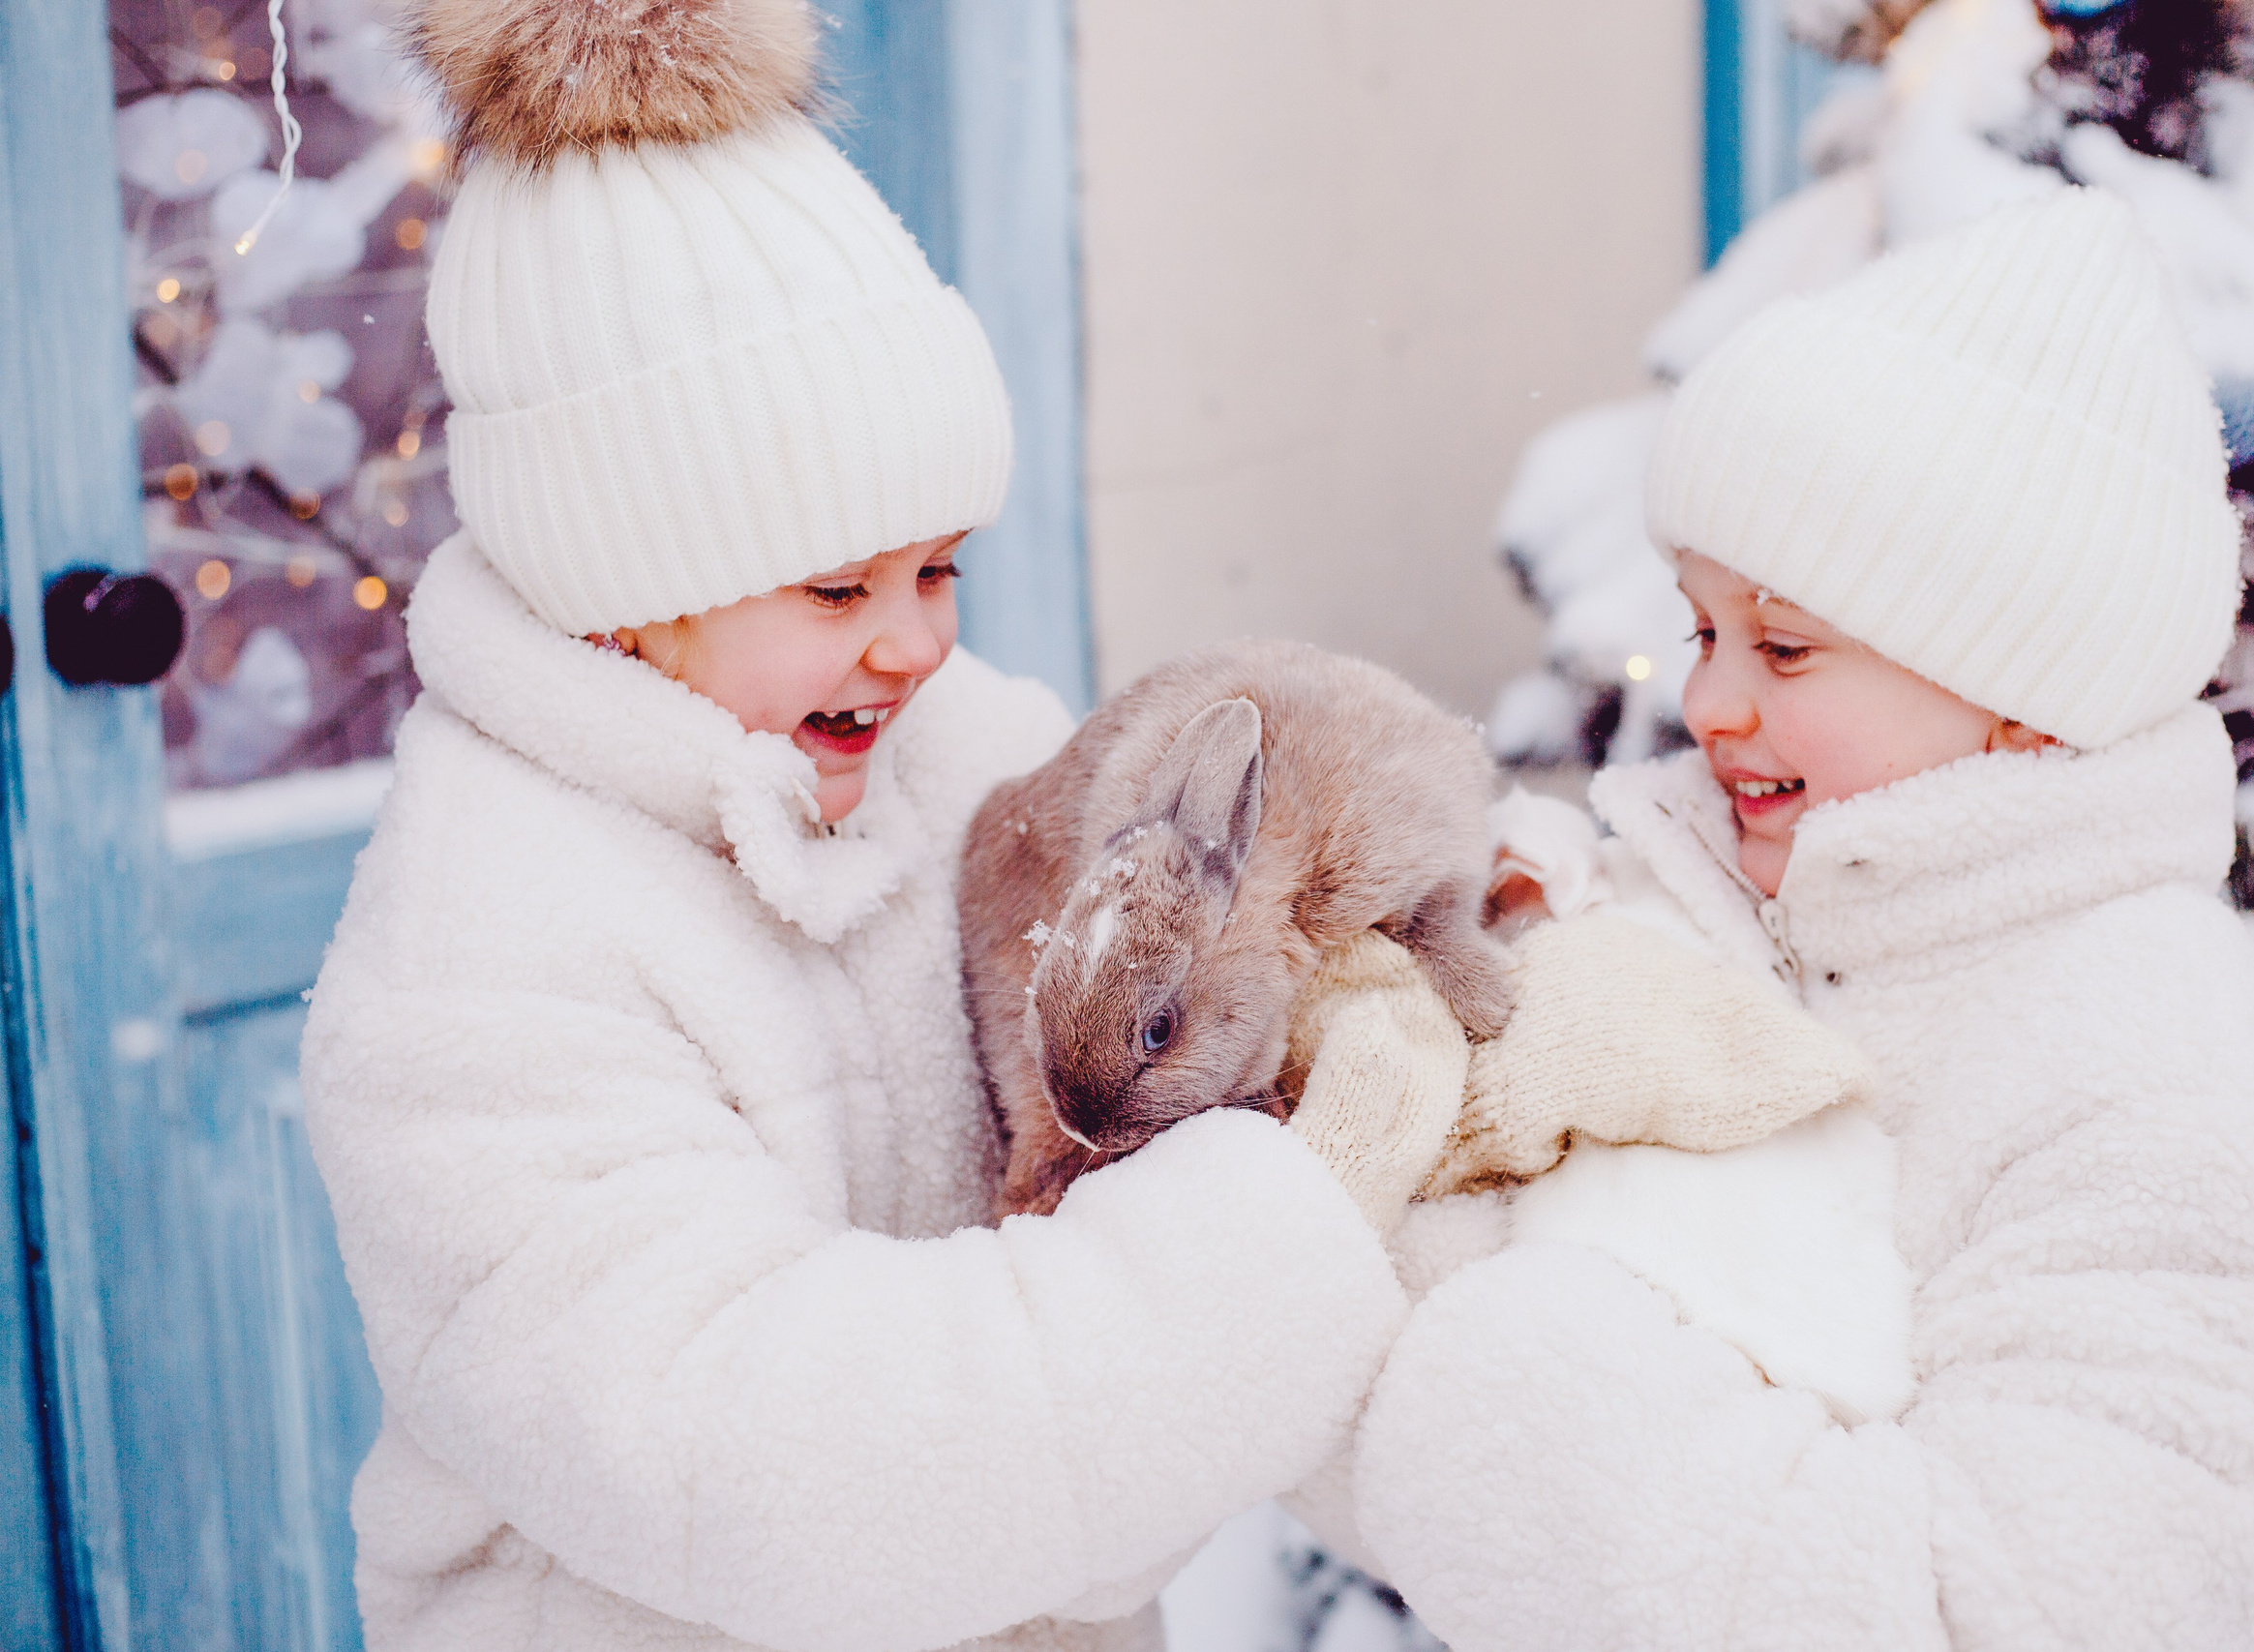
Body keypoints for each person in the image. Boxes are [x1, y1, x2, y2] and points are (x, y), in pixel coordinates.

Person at [301, 4, 1856, 1649]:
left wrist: (1422, 936)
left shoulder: (957, 754)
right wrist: (1285, 1219)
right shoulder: (476, 973)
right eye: (840, 586)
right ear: (614, 587)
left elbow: (1216, 953)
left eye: (938, 568)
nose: (916, 642)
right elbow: (780, 1471)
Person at [1344, 188, 2254, 1650]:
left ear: (2023, 699)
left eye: (1784, 646)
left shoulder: (2166, 1087)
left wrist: (1483, 1359)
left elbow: (2033, 1612)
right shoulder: (1690, 930)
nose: (1709, 703)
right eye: (1702, 628)